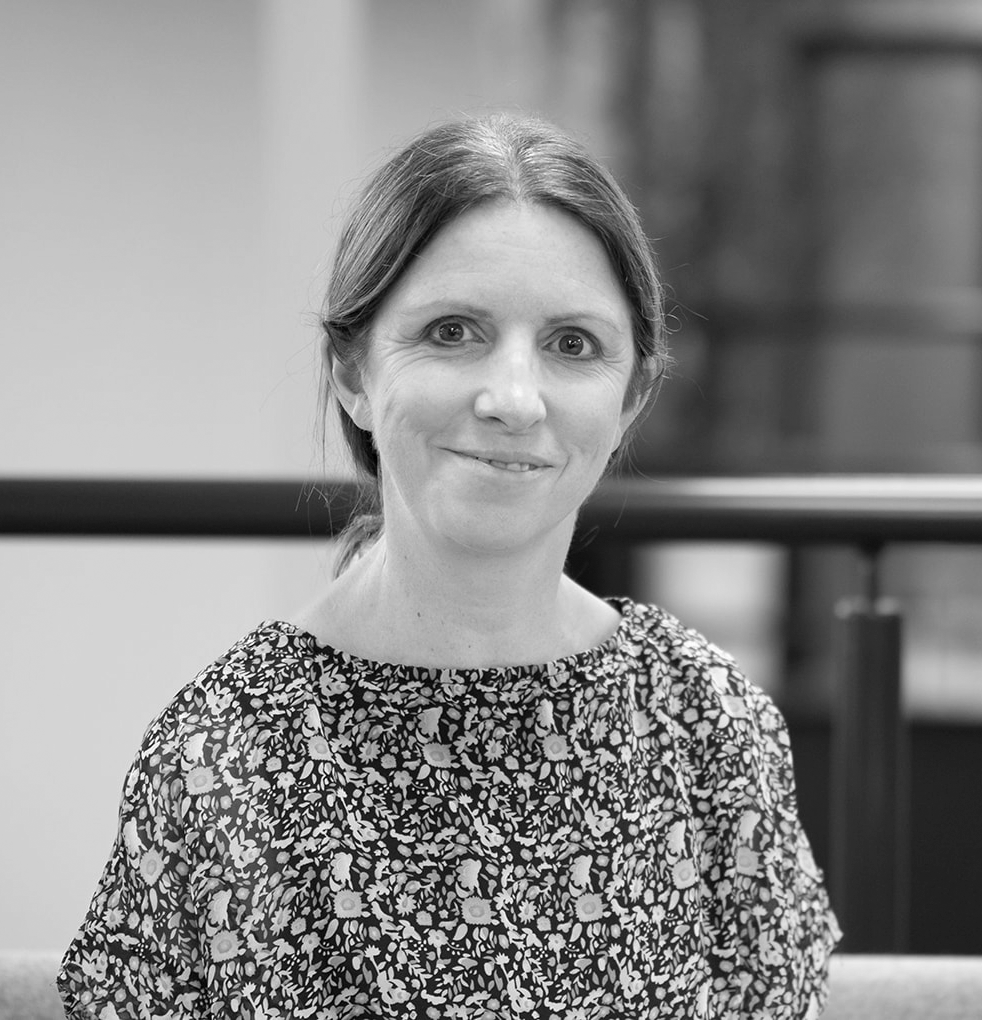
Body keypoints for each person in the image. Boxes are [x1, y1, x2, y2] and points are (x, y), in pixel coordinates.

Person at [58, 112, 841, 1019]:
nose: (513, 398)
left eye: (572, 345)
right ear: (353, 372)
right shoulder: (220, 757)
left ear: (631, 399)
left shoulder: (710, 726)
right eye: (453, 331)